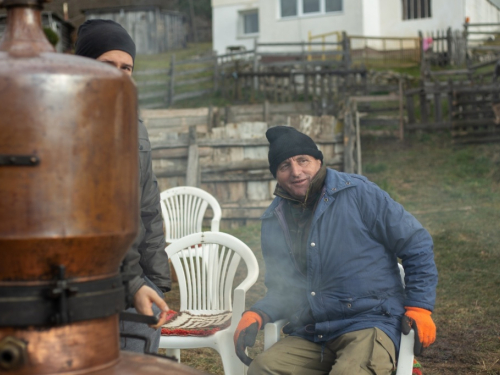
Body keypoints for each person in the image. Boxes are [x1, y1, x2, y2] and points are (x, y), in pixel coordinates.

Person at [233, 126, 438, 374]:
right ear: (276, 174)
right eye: (284, 166)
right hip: (315, 330)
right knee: (263, 369)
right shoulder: (275, 219)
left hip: (370, 321)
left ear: (318, 161)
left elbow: (417, 244)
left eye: (303, 160)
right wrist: (259, 313)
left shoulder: (359, 193)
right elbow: (284, 287)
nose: (296, 171)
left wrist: (419, 307)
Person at [75, 19, 171, 353]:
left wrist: (156, 280)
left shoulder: (135, 125)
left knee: (136, 359)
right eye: (107, 65)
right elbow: (95, 214)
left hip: (133, 278)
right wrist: (133, 281)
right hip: (86, 276)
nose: (118, 75)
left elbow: (148, 206)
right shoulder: (64, 123)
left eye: (126, 67)